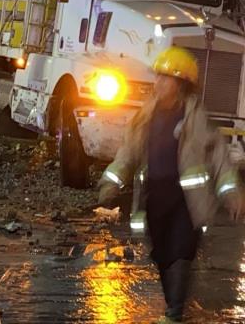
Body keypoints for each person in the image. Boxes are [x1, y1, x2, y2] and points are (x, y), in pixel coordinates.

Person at [98, 46, 242, 323]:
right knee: (163, 255)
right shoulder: (145, 117)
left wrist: (231, 192)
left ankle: (174, 313)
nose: (159, 83)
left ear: (181, 85)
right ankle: (173, 306)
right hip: (155, 199)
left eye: (167, 79)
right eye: (159, 77)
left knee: (180, 252)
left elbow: (220, 159)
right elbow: (127, 153)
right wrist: (111, 182)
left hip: (187, 202)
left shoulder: (195, 119)